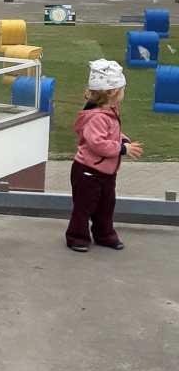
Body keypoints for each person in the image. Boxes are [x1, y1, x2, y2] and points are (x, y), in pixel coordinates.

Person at [66, 59, 143, 252]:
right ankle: (77, 236)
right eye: (122, 88)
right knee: (84, 207)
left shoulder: (110, 111)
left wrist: (122, 140)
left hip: (106, 172)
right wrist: (122, 149)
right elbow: (97, 143)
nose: (124, 92)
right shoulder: (97, 117)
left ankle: (104, 234)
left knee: (106, 206)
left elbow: (112, 134)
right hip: (88, 172)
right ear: (112, 92)